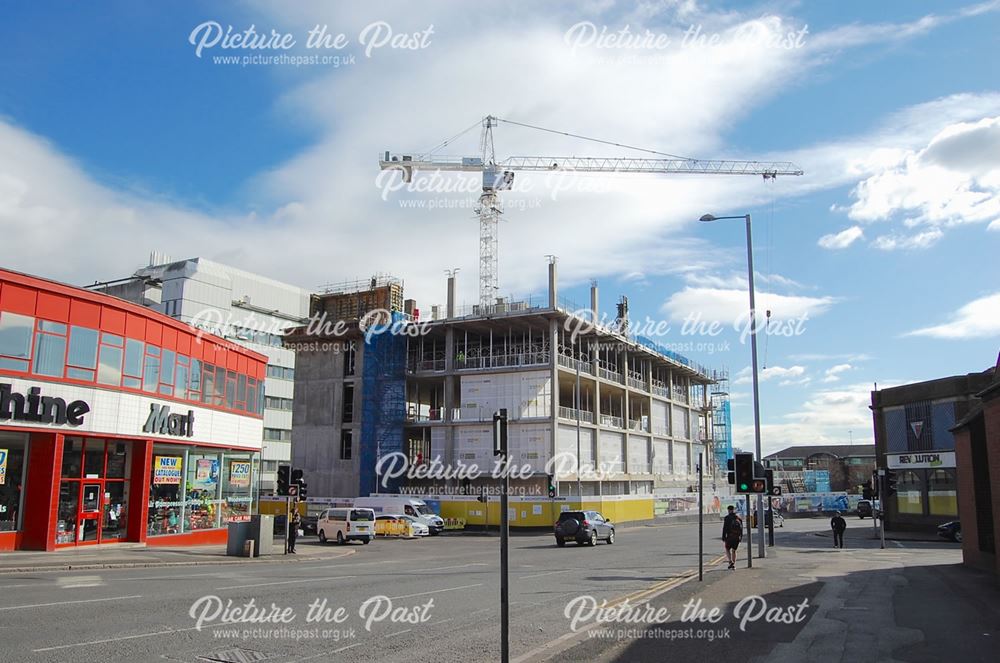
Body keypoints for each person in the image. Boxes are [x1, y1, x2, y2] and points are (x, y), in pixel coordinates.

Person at [722, 505, 743, 569]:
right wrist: (740, 537)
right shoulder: (738, 518)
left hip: (729, 537)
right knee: (734, 550)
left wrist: (723, 536)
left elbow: (724, 528)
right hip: (736, 537)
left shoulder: (727, 518)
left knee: (727, 549)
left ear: (728, 510)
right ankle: (733, 563)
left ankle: (730, 561)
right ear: (734, 510)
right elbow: (741, 529)